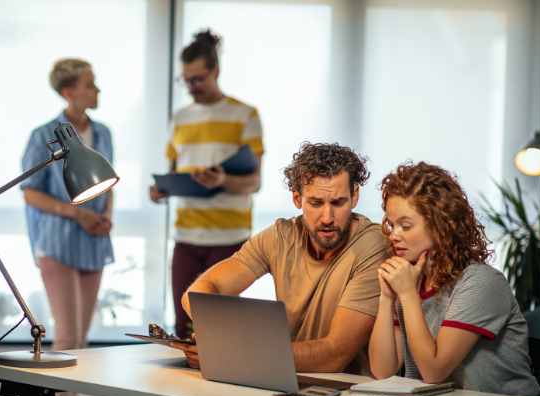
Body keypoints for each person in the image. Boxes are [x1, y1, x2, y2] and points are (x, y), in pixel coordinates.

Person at [172, 142, 390, 376]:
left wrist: (231, 353)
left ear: (354, 196)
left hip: (351, 391)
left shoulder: (374, 245)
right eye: (316, 203)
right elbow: (197, 294)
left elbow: (335, 355)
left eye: (338, 203)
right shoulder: (279, 237)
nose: (327, 217)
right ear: (297, 198)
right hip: (284, 380)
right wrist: (217, 341)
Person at [368, 162, 540, 396]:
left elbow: (433, 370)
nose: (394, 234)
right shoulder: (411, 281)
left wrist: (407, 293)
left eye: (406, 225)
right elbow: (382, 370)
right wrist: (387, 298)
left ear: (441, 226)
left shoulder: (481, 282)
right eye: (392, 223)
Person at [149, 29, 264, 339]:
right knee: (182, 328)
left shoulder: (245, 115)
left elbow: (254, 182)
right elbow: (172, 174)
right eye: (185, 80)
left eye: (197, 79)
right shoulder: (180, 118)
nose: (191, 87)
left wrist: (223, 179)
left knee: (216, 329)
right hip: (186, 236)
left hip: (229, 239)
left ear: (215, 71)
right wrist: (161, 190)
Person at [20, 58, 113, 396]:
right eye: (90, 84)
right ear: (69, 92)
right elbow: (30, 191)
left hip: (93, 242)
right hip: (57, 242)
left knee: (82, 343)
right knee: (68, 338)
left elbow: (107, 184)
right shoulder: (43, 136)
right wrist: (76, 215)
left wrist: (106, 217)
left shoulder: (103, 133)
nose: (97, 89)